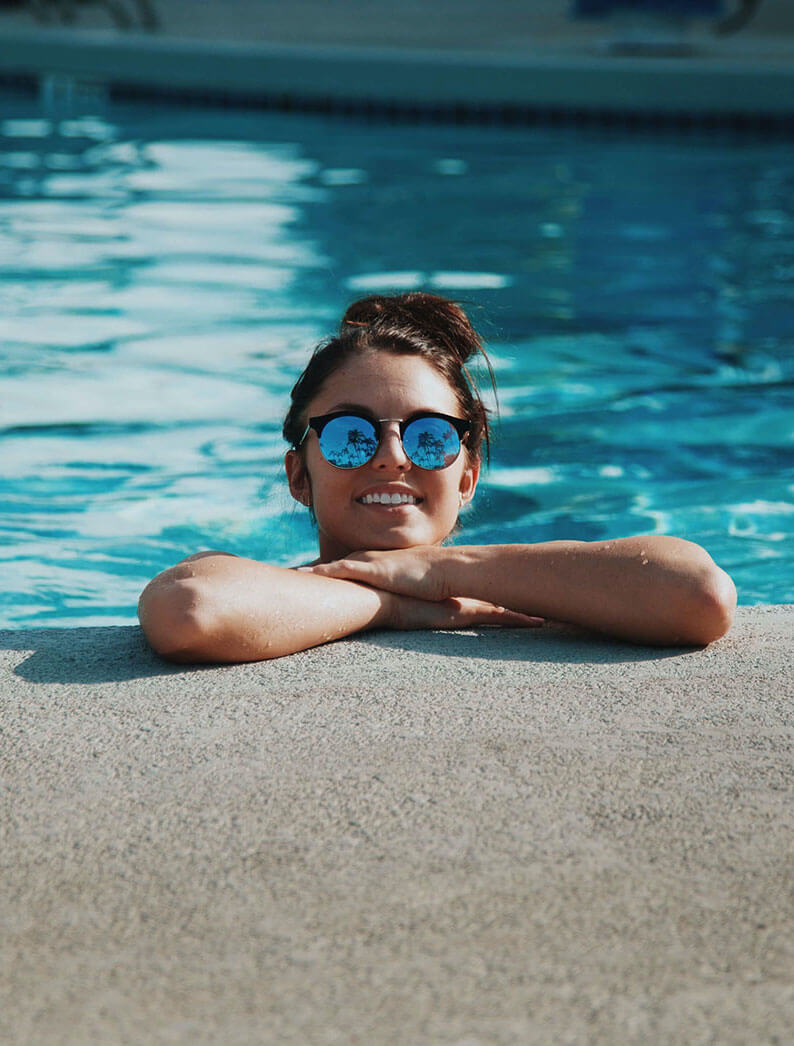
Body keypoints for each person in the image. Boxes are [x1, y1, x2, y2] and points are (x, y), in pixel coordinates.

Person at [138, 293, 736, 663]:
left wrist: (442, 570)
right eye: (352, 435)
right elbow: (191, 609)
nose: (393, 456)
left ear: (468, 476)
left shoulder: (553, 585)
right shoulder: (257, 589)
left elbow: (698, 595)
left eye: (430, 437)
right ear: (300, 474)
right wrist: (393, 605)